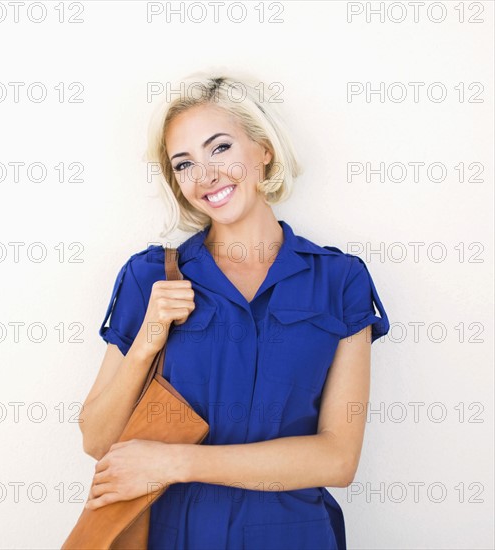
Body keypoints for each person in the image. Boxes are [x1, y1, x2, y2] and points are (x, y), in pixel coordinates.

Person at [78, 71, 390, 550]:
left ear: (263, 149)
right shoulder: (151, 276)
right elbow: (98, 440)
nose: (205, 176)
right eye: (183, 164)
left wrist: (174, 463)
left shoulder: (339, 281)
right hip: (173, 539)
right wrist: (147, 338)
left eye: (219, 148)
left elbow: (337, 459)